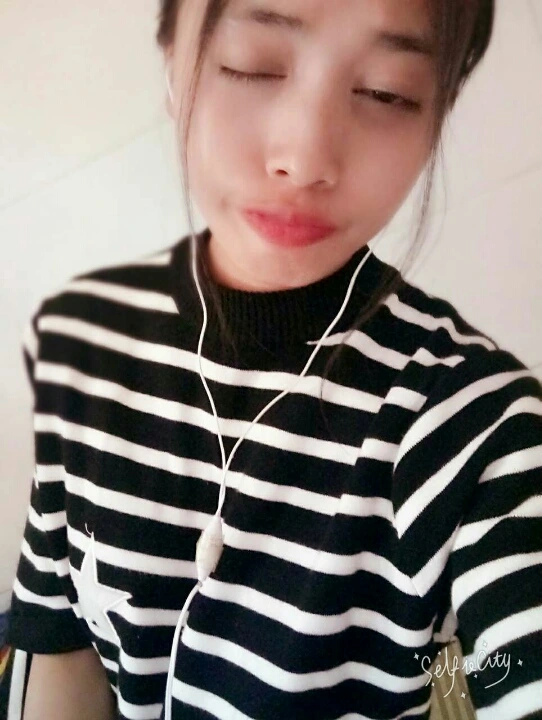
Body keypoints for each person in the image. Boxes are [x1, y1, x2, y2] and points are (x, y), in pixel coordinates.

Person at [1, 0, 541, 718]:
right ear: (172, 62)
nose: (305, 158)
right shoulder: (82, 345)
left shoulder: (479, 422)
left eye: (387, 92)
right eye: (252, 66)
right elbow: (59, 640)